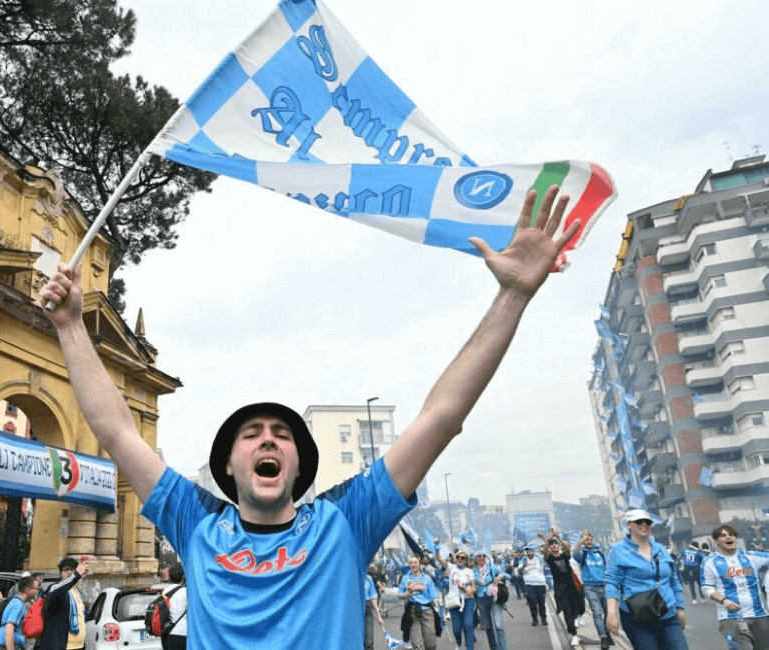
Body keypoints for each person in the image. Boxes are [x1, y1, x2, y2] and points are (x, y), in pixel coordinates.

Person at [37, 186, 580, 649]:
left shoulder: (345, 522)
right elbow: (115, 429)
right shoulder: (194, 521)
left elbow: (441, 417)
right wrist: (70, 326)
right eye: (251, 434)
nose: (267, 440)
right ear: (229, 464)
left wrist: (511, 297)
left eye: (281, 434)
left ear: (298, 464)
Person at [605, 509, 687, 650]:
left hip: (668, 614)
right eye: (639, 522)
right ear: (629, 525)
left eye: (647, 522)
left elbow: (673, 581)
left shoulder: (661, 549)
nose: (644, 525)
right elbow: (612, 582)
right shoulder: (617, 550)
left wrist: (680, 608)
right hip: (636, 617)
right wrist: (611, 613)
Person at [701, 524, 769, 650]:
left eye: (731, 535)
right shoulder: (709, 562)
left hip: (760, 616)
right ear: (716, 541)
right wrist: (724, 600)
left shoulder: (750, 556)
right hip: (731, 618)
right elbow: (706, 588)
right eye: (723, 535)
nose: (728, 537)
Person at [38, 557, 90, 650]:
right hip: (59, 646)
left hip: (78, 646)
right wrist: (76, 574)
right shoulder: (54, 588)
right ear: (60, 573)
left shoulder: (76, 591)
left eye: (72, 570)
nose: (69, 572)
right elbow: (62, 587)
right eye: (66, 570)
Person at [573, 530, 612, 649]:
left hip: (604, 586)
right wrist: (581, 540)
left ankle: (607, 633)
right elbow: (575, 554)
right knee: (597, 612)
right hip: (590, 588)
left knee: (608, 613)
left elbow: (608, 567)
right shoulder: (582, 554)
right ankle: (603, 637)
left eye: (590, 539)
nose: (589, 541)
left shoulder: (600, 552)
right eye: (586, 540)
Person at [542, 535, 583, 646]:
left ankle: (572, 628)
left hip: (571, 587)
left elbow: (567, 548)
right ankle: (574, 635)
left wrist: (558, 537)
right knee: (567, 612)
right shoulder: (550, 559)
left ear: (559, 545)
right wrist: (548, 539)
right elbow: (544, 551)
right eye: (552, 544)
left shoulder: (565, 556)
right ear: (550, 547)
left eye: (556, 543)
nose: (554, 545)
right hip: (560, 589)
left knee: (575, 611)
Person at [398, 554, 439, 650]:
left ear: (420, 564)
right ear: (409, 564)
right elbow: (399, 594)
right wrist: (405, 595)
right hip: (412, 612)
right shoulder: (405, 579)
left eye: (415, 562)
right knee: (417, 645)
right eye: (411, 563)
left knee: (431, 645)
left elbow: (434, 595)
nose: (413, 564)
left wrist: (436, 601)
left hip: (427, 612)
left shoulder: (427, 579)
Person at [0, 576, 39, 650]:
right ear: (28, 590)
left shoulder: (14, 601)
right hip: (3, 646)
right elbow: (9, 628)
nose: (37, 591)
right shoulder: (18, 605)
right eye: (36, 588)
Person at [473, 551, 508, 650]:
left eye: (484, 556)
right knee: (488, 626)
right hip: (482, 599)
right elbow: (469, 584)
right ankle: (494, 647)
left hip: (494, 598)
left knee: (498, 625)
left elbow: (507, 575)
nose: (482, 557)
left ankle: (503, 648)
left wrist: (500, 576)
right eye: (479, 556)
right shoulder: (473, 572)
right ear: (476, 559)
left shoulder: (492, 568)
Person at [517, 546, 548, 626]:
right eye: (527, 552)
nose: (528, 553)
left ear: (533, 552)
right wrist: (523, 567)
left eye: (530, 551)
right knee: (532, 602)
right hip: (529, 584)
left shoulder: (539, 558)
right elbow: (519, 570)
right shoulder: (523, 560)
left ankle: (543, 618)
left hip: (540, 583)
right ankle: (534, 619)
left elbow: (546, 555)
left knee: (541, 602)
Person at [165, 564, 188, 650]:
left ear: (170, 577)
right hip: (183, 633)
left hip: (168, 633)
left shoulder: (164, 591)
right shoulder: (186, 592)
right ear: (183, 577)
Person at [364, 571, 384, 650]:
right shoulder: (351, 578)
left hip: (367, 608)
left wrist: (379, 616)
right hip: (354, 610)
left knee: (369, 641)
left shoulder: (368, 578)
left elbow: (373, 598)